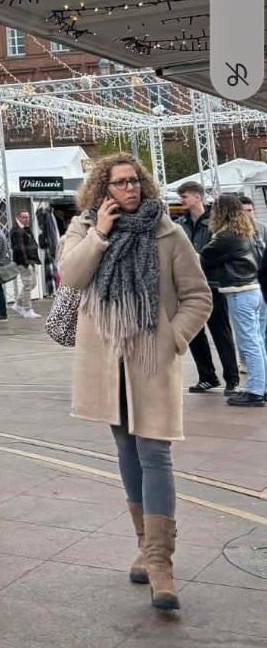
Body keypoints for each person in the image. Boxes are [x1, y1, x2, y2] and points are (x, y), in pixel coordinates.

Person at [58, 153, 210, 611]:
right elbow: (71, 276)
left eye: (135, 181)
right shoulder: (83, 230)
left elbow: (198, 296)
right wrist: (101, 234)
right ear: (102, 192)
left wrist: (173, 338)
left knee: (155, 453)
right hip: (107, 364)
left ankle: (161, 564)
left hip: (151, 360)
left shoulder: (168, 232)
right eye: (120, 183)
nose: (130, 189)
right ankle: (144, 546)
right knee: (126, 450)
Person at [201, 193, 266, 408]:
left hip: (240, 290)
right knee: (256, 341)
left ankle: (255, 391)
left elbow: (205, 257)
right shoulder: (247, 231)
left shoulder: (225, 235)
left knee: (249, 343)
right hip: (254, 288)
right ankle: (261, 387)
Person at [177, 180, 240, 394]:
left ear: (198, 197)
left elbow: (221, 254)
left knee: (221, 332)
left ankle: (232, 379)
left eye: (184, 196)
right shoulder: (180, 224)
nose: (181, 200)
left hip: (212, 285)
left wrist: (198, 259)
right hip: (187, 287)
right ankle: (207, 376)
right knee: (194, 333)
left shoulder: (215, 224)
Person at [9, 210, 41, 319]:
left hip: (30, 260)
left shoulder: (25, 229)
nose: (26, 219)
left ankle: (18, 304)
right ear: (18, 217)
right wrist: (25, 263)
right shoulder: (17, 230)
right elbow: (19, 248)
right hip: (24, 262)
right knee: (28, 284)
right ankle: (27, 309)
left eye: (27, 217)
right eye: (24, 217)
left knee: (32, 284)